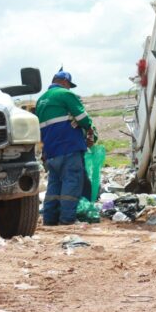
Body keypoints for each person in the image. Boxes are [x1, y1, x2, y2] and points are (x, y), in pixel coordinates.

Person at [35, 70, 96, 225]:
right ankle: (67, 219)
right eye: (69, 85)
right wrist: (90, 130)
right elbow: (83, 118)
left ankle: (49, 219)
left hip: (51, 152)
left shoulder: (41, 100)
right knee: (72, 182)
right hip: (68, 147)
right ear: (64, 82)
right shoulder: (65, 94)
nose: (69, 89)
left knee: (54, 185)